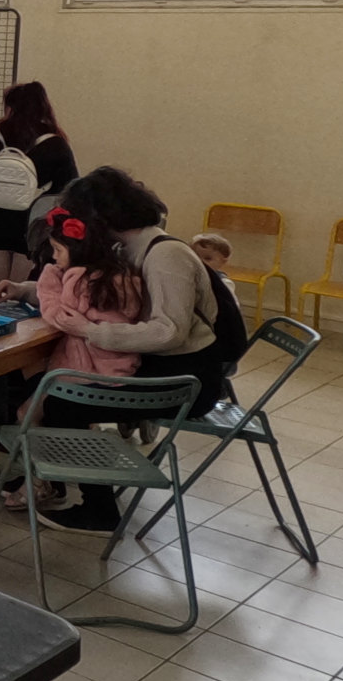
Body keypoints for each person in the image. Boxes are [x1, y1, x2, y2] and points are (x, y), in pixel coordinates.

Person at [27, 167, 233, 535]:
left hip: (187, 378)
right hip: (160, 366)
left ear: (98, 216)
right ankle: (52, 480)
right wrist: (25, 290)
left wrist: (92, 332)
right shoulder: (128, 248)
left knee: (63, 402)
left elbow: (169, 332)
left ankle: (100, 511)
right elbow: (89, 291)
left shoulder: (167, 256)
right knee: (47, 388)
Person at [0, 205, 149, 513]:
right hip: (112, 367)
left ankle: (40, 481)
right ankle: (45, 478)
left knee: (28, 412)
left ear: (79, 251)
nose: (54, 257)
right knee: (34, 396)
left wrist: (49, 278)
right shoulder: (119, 274)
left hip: (87, 371)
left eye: (58, 251)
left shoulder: (80, 279)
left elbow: (59, 315)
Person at [0, 82, 76, 283]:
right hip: (30, 224)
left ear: (9, 107)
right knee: (19, 285)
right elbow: (69, 189)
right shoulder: (56, 144)